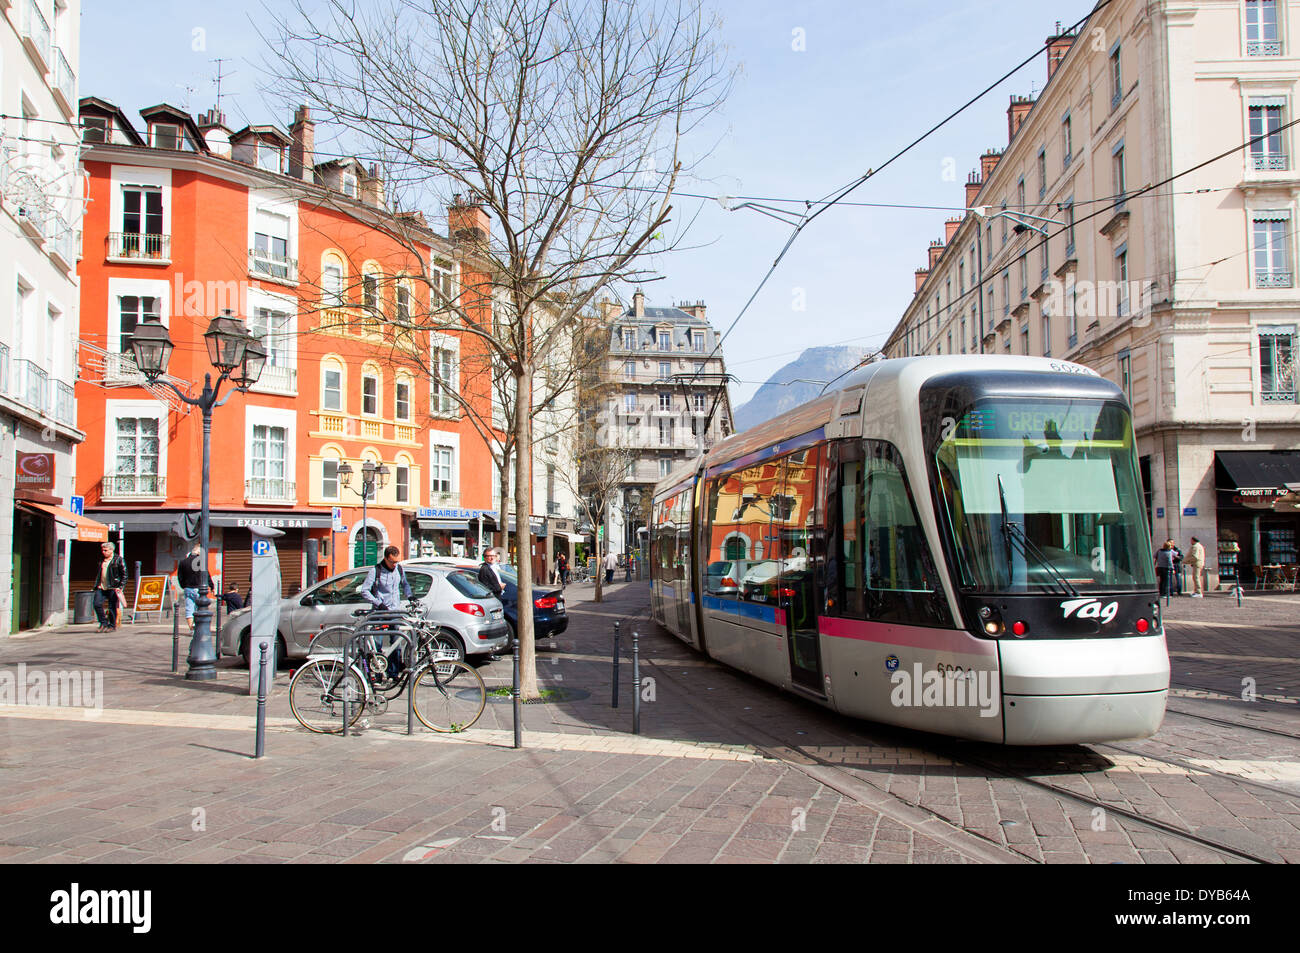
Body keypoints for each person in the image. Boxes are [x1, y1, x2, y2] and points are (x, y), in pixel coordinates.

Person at [93, 542, 126, 632]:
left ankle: (112, 625)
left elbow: (124, 574)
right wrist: (96, 585)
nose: (103, 552)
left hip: (113, 587)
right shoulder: (101, 560)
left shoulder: (118, 560)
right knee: (97, 604)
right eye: (102, 550)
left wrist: (120, 586)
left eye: (106, 550)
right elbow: (99, 574)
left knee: (112, 607)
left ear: (111, 550)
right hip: (101, 587)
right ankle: (103, 623)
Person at [177, 542, 208, 632]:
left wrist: (183, 586)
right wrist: (211, 586)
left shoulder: (183, 562)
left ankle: (191, 629)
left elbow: (180, 576)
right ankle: (198, 628)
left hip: (188, 588)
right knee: (201, 608)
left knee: (189, 609)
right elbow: (206, 575)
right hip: (199, 588)